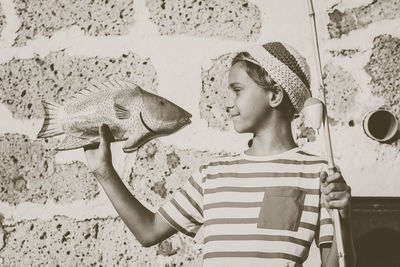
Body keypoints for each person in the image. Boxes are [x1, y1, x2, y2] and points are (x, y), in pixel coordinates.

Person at [84, 41, 356, 267]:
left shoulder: (319, 174)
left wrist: (342, 218)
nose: (230, 104)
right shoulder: (211, 175)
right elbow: (148, 231)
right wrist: (104, 172)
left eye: (237, 91)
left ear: (274, 95)